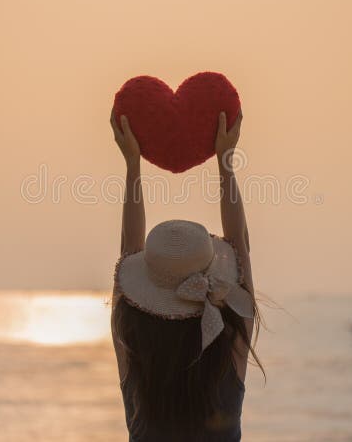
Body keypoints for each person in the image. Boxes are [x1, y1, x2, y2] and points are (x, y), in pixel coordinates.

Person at [109, 109, 263, 441]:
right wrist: (226, 161)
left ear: (143, 296)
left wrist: (132, 164)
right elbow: (241, 244)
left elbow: (128, 249)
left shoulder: (133, 353)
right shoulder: (230, 349)